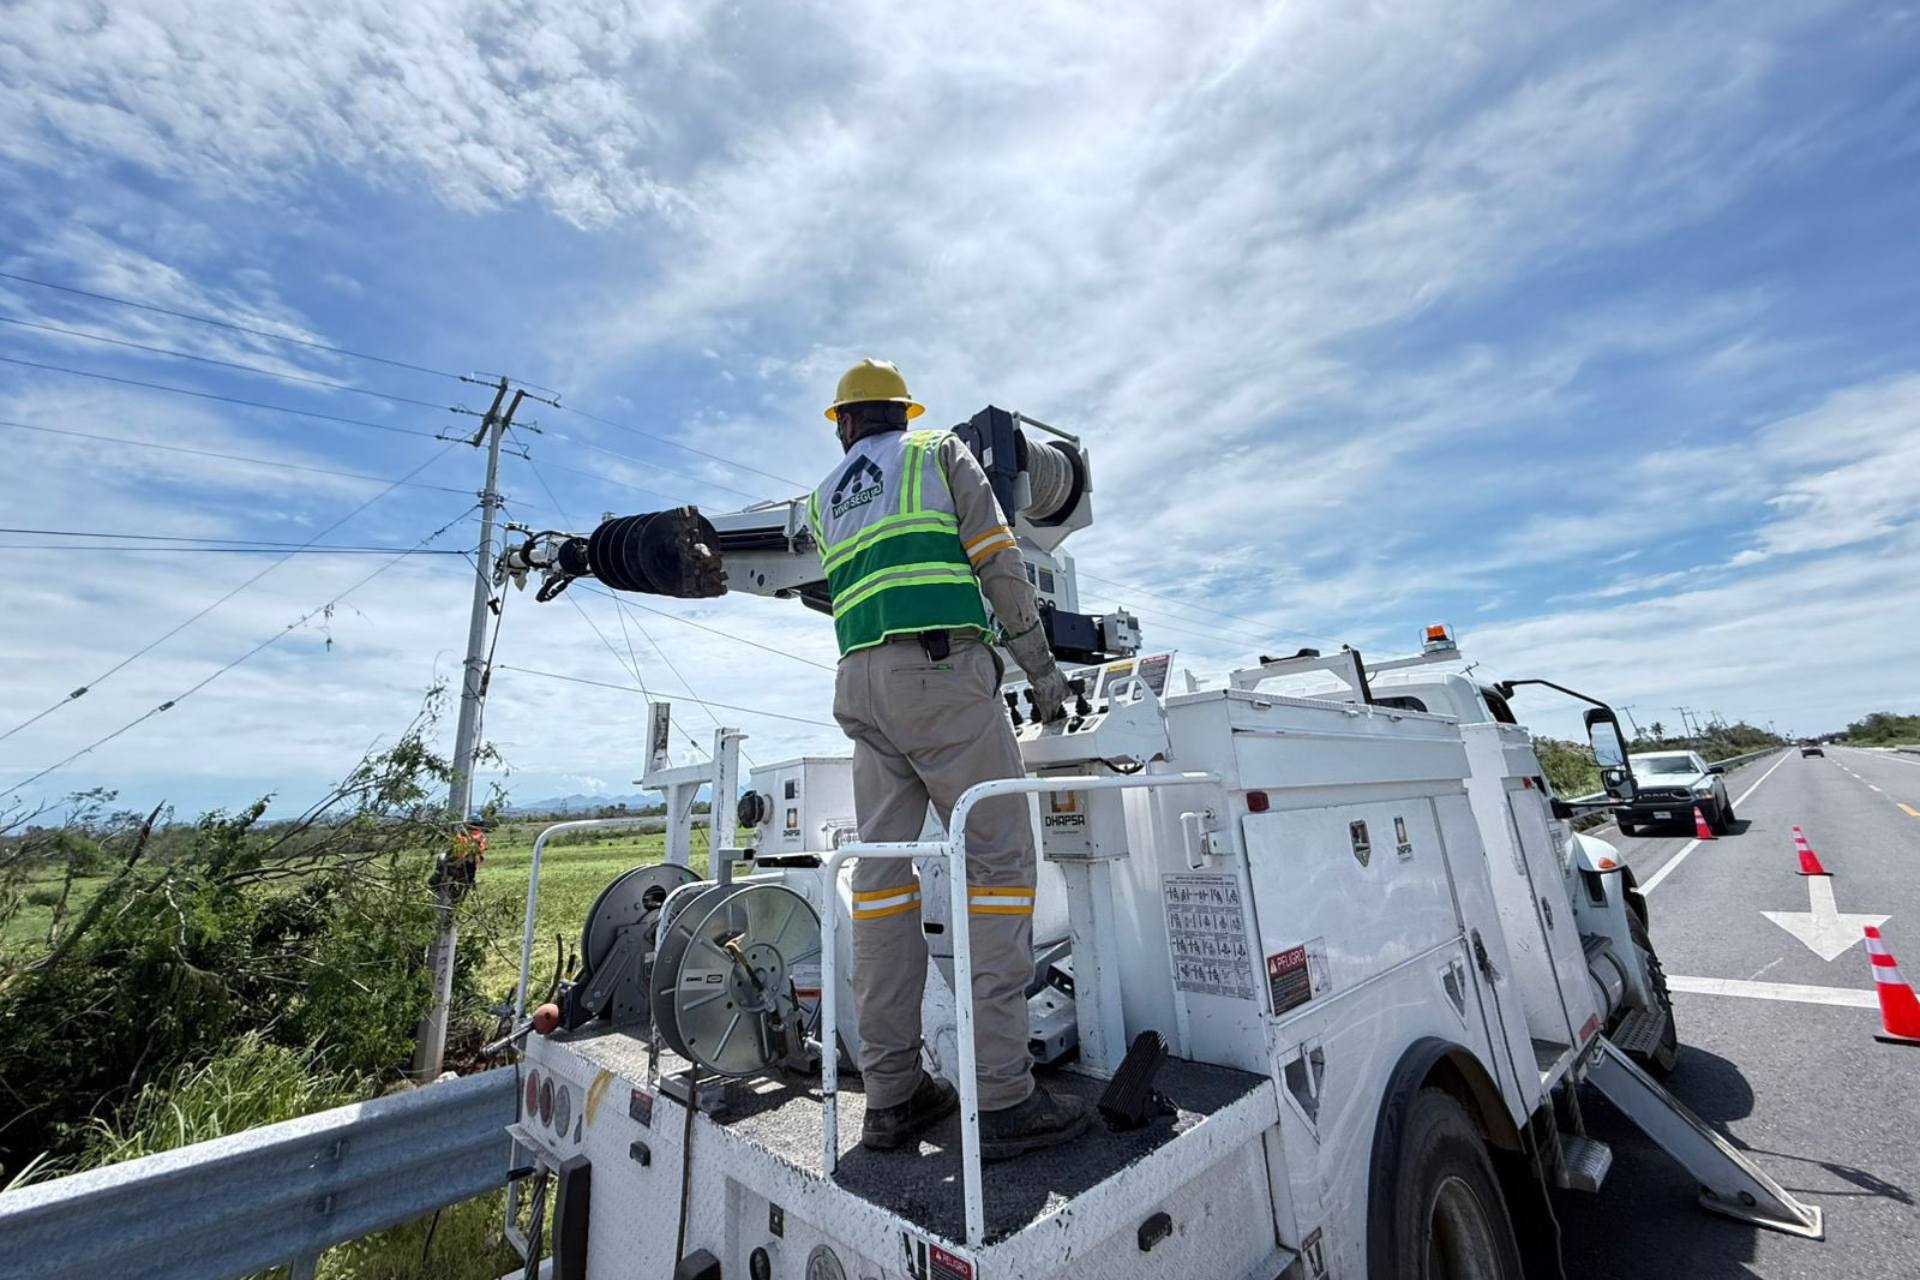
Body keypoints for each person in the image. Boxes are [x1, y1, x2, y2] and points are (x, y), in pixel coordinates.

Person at [806, 358, 1088, 1159]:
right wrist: (1041, 672)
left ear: (844, 424)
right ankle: (1002, 1096)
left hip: (860, 691)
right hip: (941, 680)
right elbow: (999, 561)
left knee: (884, 886)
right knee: (998, 866)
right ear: (902, 412)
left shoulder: (824, 500)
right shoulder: (937, 456)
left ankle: (892, 1095)